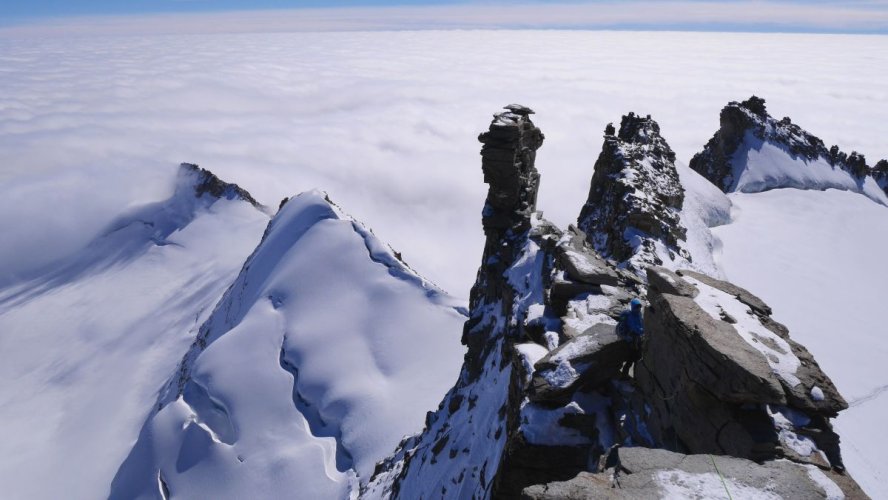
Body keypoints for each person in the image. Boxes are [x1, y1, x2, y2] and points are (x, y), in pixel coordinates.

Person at [617, 298, 644, 377]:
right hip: (631, 340)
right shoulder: (627, 314)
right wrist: (626, 337)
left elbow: (641, 324)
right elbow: (621, 326)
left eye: (639, 307)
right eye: (636, 307)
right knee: (631, 359)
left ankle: (636, 377)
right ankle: (626, 376)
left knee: (636, 359)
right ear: (633, 307)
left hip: (638, 338)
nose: (638, 308)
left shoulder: (639, 314)